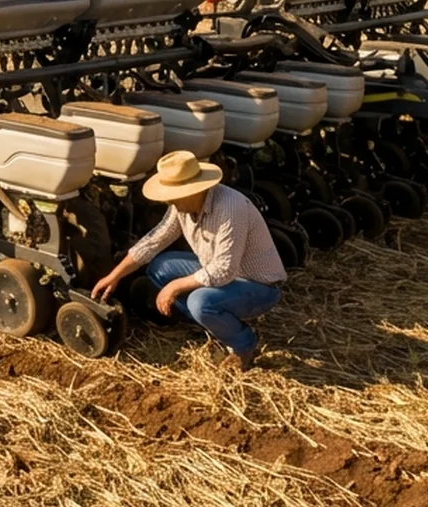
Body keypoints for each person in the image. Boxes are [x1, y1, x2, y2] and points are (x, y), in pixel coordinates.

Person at [90, 151, 288, 368]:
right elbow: (155, 240)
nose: (168, 200)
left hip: (258, 285)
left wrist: (175, 287)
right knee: (159, 268)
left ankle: (244, 343)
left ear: (193, 190)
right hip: (219, 272)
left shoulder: (230, 209)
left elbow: (224, 270)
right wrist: (114, 276)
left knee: (199, 302)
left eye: (172, 194)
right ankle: (218, 324)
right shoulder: (182, 206)